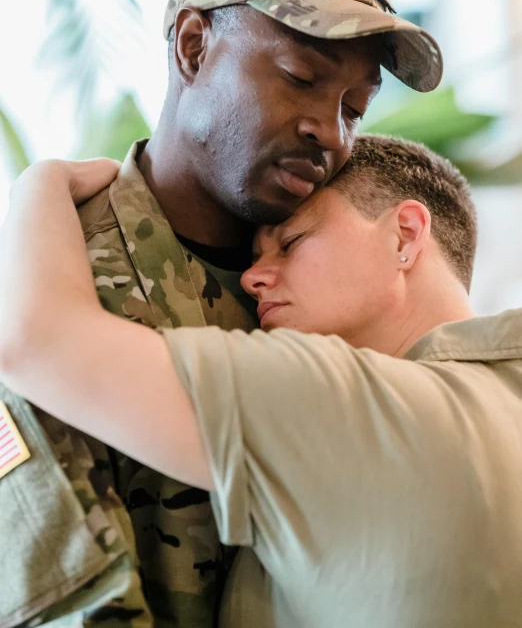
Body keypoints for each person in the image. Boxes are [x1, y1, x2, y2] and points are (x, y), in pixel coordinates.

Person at [0, 0, 443, 628]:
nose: (330, 133)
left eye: (354, 108)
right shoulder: (57, 288)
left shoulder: (343, 284)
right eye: (302, 78)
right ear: (193, 45)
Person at [3, 134, 522, 628]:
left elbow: (33, 340)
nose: (252, 279)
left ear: (405, 234)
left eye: (291, 242)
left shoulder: (347, 405)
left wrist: (41, 183)